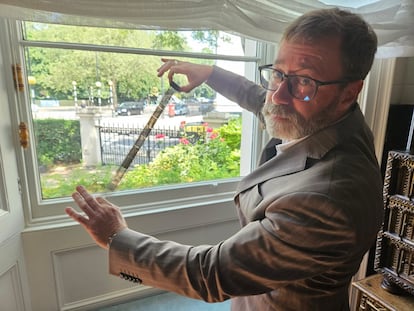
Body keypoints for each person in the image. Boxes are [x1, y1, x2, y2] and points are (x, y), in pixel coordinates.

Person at [65, 8, 384, 311]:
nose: (277, 95)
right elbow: (263, 101)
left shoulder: (330, 199)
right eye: (278, 74)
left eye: (304, 81)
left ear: (349, 92)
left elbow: (211, 273)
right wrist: (211, 74)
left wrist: (116, 238)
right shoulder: (331, 117)